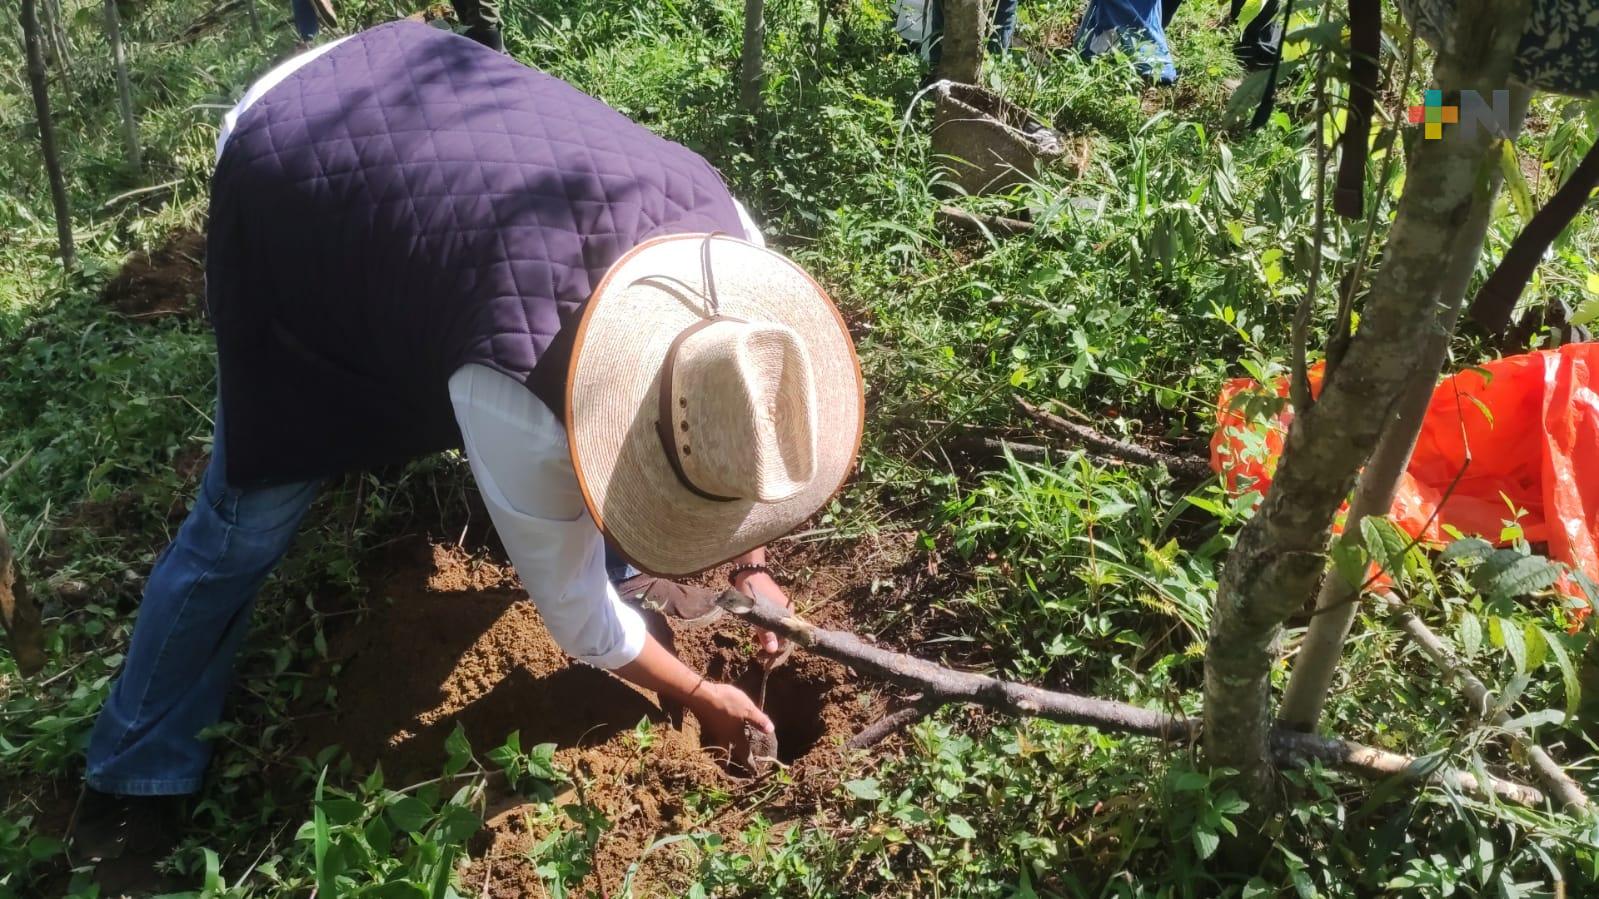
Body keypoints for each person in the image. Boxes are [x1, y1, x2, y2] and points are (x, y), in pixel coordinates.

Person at [72, 20, 863, 866]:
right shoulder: (515, 395)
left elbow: (739, 422)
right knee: (244, 517)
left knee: (462, 355)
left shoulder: (739, 274)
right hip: (296, 172)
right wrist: (701, 693)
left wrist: (749, 567)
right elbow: (579, 623)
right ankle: (132, 773)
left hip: (429, 99)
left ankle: (632, 558)